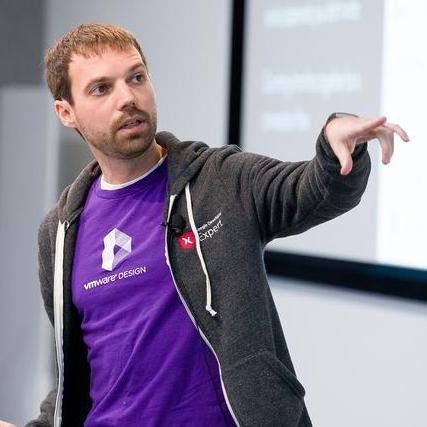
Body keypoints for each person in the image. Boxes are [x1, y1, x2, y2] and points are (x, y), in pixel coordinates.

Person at [0, 23, 408, 427]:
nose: (128, 98)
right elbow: (78, 374)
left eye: (137, 77)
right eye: (101, 89)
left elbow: (313, 190)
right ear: (66, 112)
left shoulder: (220, 180)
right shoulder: (59, 233)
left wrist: (336, 147)